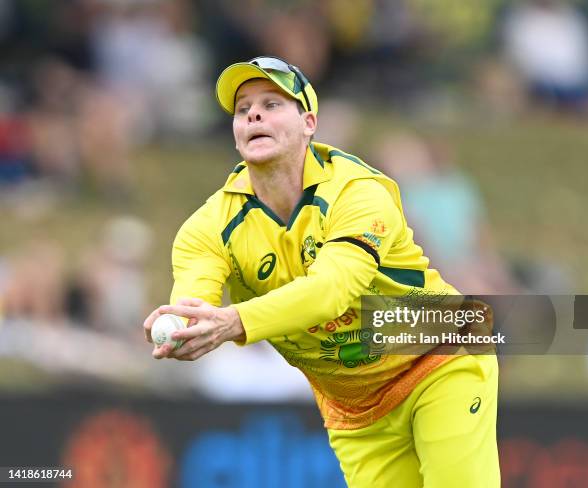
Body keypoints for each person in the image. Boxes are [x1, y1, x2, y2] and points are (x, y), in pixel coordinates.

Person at [143, 56, 500, 487]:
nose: (253, 113)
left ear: (309, 122)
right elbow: (194, 301)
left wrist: (235, 321)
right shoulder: (207, 228)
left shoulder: (358, 192)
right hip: (356, 411)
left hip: (440, 354)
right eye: (243, 109)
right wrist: (184, 324)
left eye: (272, 103)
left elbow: (332, 290)